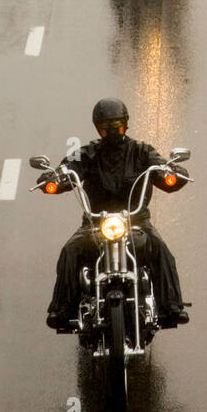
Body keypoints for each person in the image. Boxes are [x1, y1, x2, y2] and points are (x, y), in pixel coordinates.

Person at [43, 99, 190, 330]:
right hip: (95, 223)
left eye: (117, 125)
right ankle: (62, 310)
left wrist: (172, 172)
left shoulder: (142, 151)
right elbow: (67, 168)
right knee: (69, 251)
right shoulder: (87, 153)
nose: (112, 130)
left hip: (136, 221)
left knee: (161, 250)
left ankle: (172, 307)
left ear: (126, 125)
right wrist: (55, 178)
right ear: (97, 128)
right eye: (106, 126)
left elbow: (161, 167)